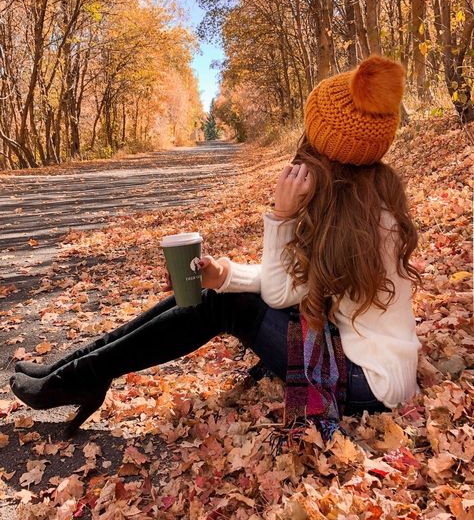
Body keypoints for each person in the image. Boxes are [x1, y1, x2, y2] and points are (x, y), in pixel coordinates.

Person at [10, 55, 421, 438]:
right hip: (363, 360)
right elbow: (299, 284)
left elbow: (282, 293)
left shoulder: (369, 223)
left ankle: (80, 378)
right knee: (213, 291)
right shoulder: (364, 201)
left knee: (223, 305)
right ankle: (71, 369)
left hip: (366, 382)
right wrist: (223, 274)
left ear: (329, 150)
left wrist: (281, 218)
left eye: (312, 138)